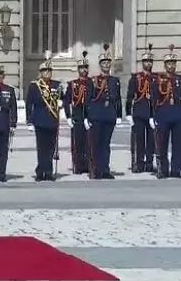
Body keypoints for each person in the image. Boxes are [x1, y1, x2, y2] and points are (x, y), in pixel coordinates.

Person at [85, 44, 122, 180]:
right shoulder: (93, 81)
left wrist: (118, 115)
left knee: (106, 144)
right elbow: (87, 100)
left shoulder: (114, 80)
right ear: (100, 65)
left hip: (109, 116)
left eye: (108, 62)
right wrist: (86, 117)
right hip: (96, 115)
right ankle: (95, 170)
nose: (106, 65)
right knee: (95, 144)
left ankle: (105, 169)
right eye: (104, 63)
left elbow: (117, 99)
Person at [26, 51, 61, 181]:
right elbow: (29, 104)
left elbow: (62, 98)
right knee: (41, 148)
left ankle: (49, 171)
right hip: (40, 120)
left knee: (51, 148)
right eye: (45, 71)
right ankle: (40, 172)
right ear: (40, 73)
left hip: (52, 120)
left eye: (49, 71)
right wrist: (29, 121)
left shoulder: (57, 85)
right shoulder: (35, 86)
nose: (47, 73)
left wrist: (62, 102)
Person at [151, 44, 181, 178]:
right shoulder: (158, 80)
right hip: (163, 113)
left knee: (178, 144)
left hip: (177, 114)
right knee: (162, 143)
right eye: (169, 63)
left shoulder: (179, 79)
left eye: (173, 63)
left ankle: (176, 169)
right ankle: (162, 169)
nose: (171, 66)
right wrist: (153, 116)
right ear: (165, 65)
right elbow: (154, 99)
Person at [126, 44, 156, 173]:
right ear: (143, 63)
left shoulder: (156, 78)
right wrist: (128, 113)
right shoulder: (136, 78)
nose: (148, 64)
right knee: (139, 140)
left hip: (152, 113)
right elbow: (129, 96)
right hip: (139, 112)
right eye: (146, 61)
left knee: (151, 141)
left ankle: (149, 163)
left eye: (150, 61)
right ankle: (138, 164)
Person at [62, 51, 91, 175]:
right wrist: (68, 116)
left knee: (89, 143)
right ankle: (78, 166)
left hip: (89, 117)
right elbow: (66, 101)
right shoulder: (73, 84)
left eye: (85, 68)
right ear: (78, 70)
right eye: (81, 68)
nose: (84, 70)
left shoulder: (92, 83)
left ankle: (88, 165)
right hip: (77, 117)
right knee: (77, 143)